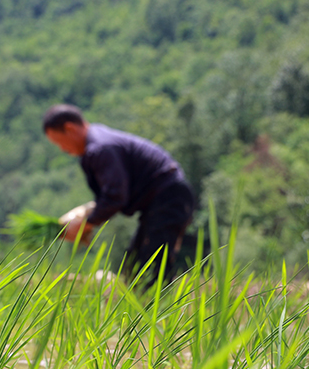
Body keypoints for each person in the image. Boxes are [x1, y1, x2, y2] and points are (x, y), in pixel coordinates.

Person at [43, 104, 195, 284]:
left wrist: (86, 224)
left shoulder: (101, 148)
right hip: (163, 200)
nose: (62, 149)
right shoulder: (98, 143)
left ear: (69, 128)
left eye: (60, 142)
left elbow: (115, 196)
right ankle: (145, 307)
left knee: (151, 268)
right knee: (135, 266)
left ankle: (158, 309)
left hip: (169, 198)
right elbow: (113, 194)